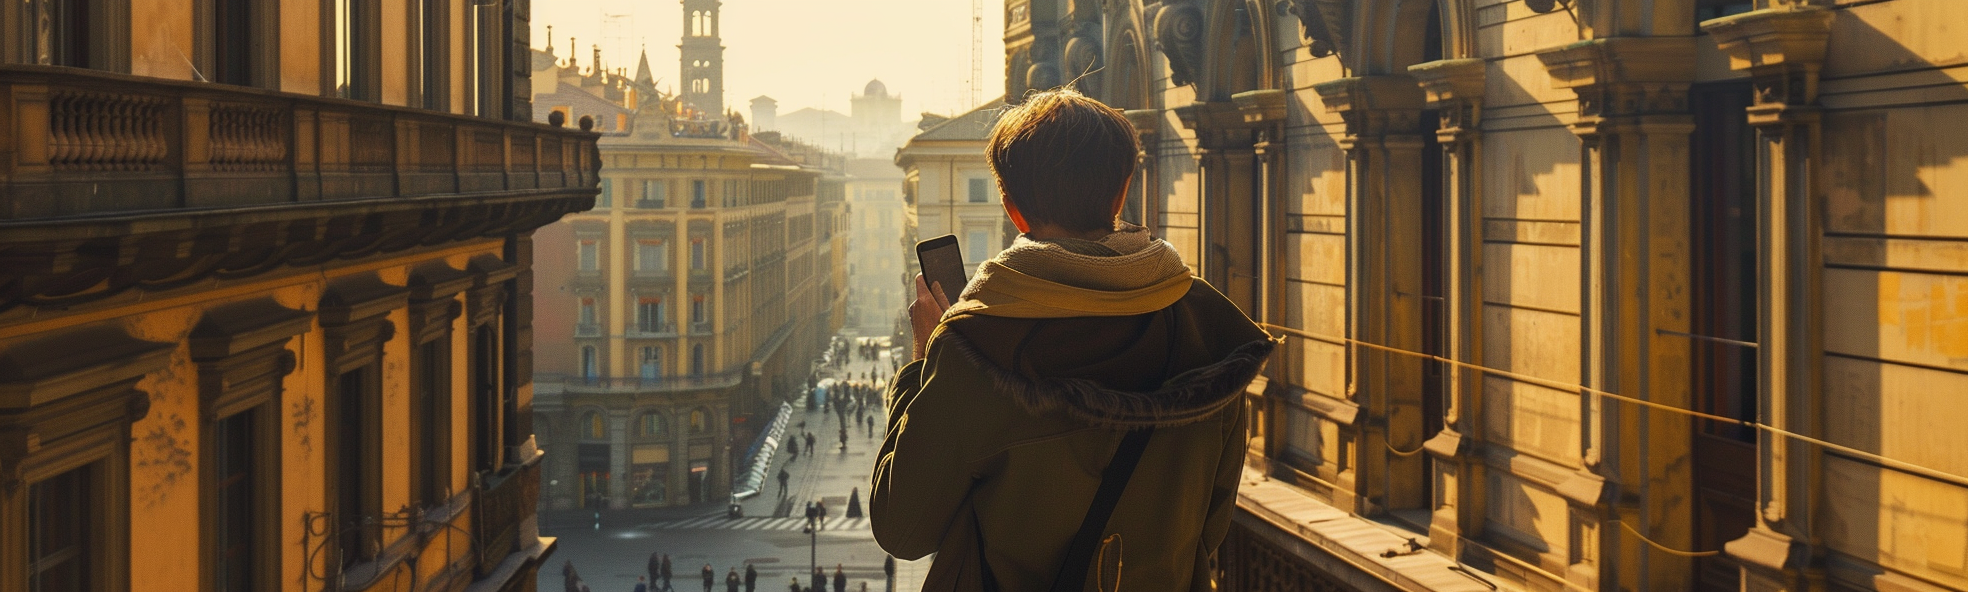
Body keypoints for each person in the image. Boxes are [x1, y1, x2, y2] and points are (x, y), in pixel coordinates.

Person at [869, 89, 1271, 591]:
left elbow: (902, 528)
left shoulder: (975, 347)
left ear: (1012, 209)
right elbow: (1211, 524)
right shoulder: (1205, 326)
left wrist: (923, 363)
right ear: (1121, 193)